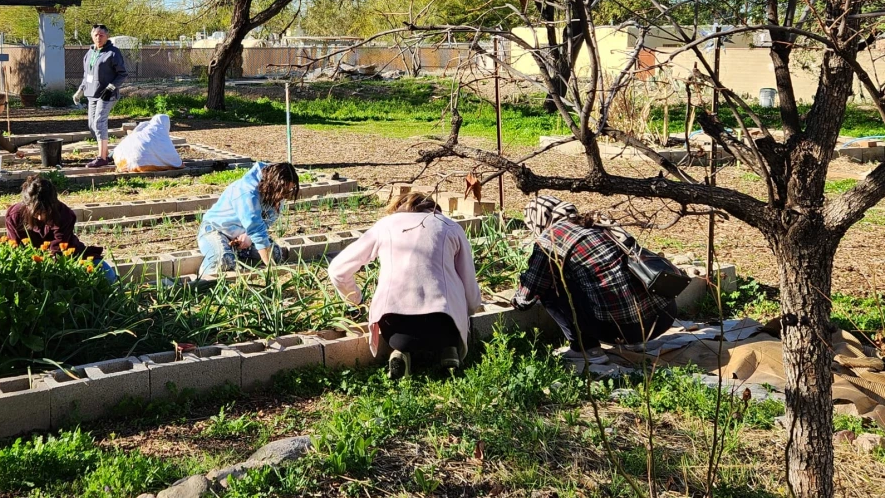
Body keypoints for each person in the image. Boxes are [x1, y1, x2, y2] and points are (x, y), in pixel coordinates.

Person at [327, 190, 483, 379]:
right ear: (433, 209)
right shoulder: (449, 226)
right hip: (444, 326)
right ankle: (449, 352)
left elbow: (337, 269)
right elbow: (468, 281)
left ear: (398, 208)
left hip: (396, 329)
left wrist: (356, 300)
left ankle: (400, 352)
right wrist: (471, 309)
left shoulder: (385, 226)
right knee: (449, 291)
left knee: (400, 329)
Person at [512, 194, 677, 351]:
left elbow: (531, 290)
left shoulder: (550, 239)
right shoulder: (596, 221)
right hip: (664, 316)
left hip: (619, 330)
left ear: (537, 220)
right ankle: (635, 343)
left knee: (550, 286)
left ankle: (586, 348)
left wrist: (516, 301)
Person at [196, 161, 300, 279]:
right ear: (273, 184)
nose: (284, 197)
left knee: (275, 253)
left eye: (288, 192)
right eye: (283, 192)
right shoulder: (246, 192)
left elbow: (265, 221)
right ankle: (204, 279)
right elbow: (256, 229)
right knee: (222, 259)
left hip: (241, 236)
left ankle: (236, 255)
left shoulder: (275, 193)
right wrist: (271, 270)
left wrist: (249, 237)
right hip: (216, 229)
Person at [5, 174, 109, 270]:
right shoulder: (14, 216)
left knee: (107, 272)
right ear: (27, 205)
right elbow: (15, 248)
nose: (41, 218)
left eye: (45, 212)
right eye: (36, 213)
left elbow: (57, 251)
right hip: (28, 263)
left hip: (67, 257)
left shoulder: (64, 214)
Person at [73, 25, 128, 168]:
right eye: (96, 35)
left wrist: (111, 87)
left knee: (99, 122)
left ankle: (102, 158)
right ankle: (106, 153)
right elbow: (87, 76)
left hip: (107, 95)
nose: (98, 37)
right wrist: (80, 90)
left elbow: (122, 74)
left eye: (101, 35)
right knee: (92, 126)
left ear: (107, 36)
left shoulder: (113, 53)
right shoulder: (89, 53)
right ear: (92, 36)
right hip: (92, 94)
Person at [112, 112, 182, 172]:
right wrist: (180, 164)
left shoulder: (141, 131)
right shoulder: (161, 136)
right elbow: (176, 162)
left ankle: (126, 166)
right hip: (141, 164)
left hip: (124, 161)